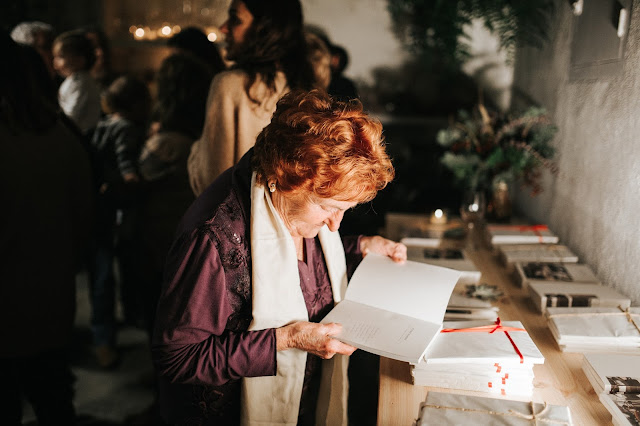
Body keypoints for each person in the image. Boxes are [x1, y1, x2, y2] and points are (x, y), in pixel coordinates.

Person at [152, 89, 406, 425]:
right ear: (286, 180)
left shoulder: (286, 205)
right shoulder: (212, 239)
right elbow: (177, 358)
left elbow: (292, 268)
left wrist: (358, 246)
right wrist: (286, 339)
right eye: (330, 209)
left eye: (345, 211)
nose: (334, 224)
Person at [0, 32, 93, 425]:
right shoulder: (63, 138)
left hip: (7, 299)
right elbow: (84, 222)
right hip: (50, 297)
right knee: (53, 399)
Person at [187, 0, 317, 196]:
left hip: (239, 222)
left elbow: (211, 182)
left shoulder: (229, 85)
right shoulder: (307, 87)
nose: (223, 28)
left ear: (265, 29)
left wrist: (195, 151)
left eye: (235, 19)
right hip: (285, 224)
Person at [89, 75, 150, 368]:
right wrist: (136, 181)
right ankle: (131, 318)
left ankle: (103, 339)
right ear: (137, 103)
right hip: (120, 210)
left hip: (98, 209)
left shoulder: (101, 125)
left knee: (100, 277)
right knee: (124, 268)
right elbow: (128, 167)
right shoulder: (126, 129)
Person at [52, 29, 102, 135]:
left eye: (60, 57)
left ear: (80, 59)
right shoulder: (73, 80)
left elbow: (71, 116)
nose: (55, 62)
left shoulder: (81, 83)